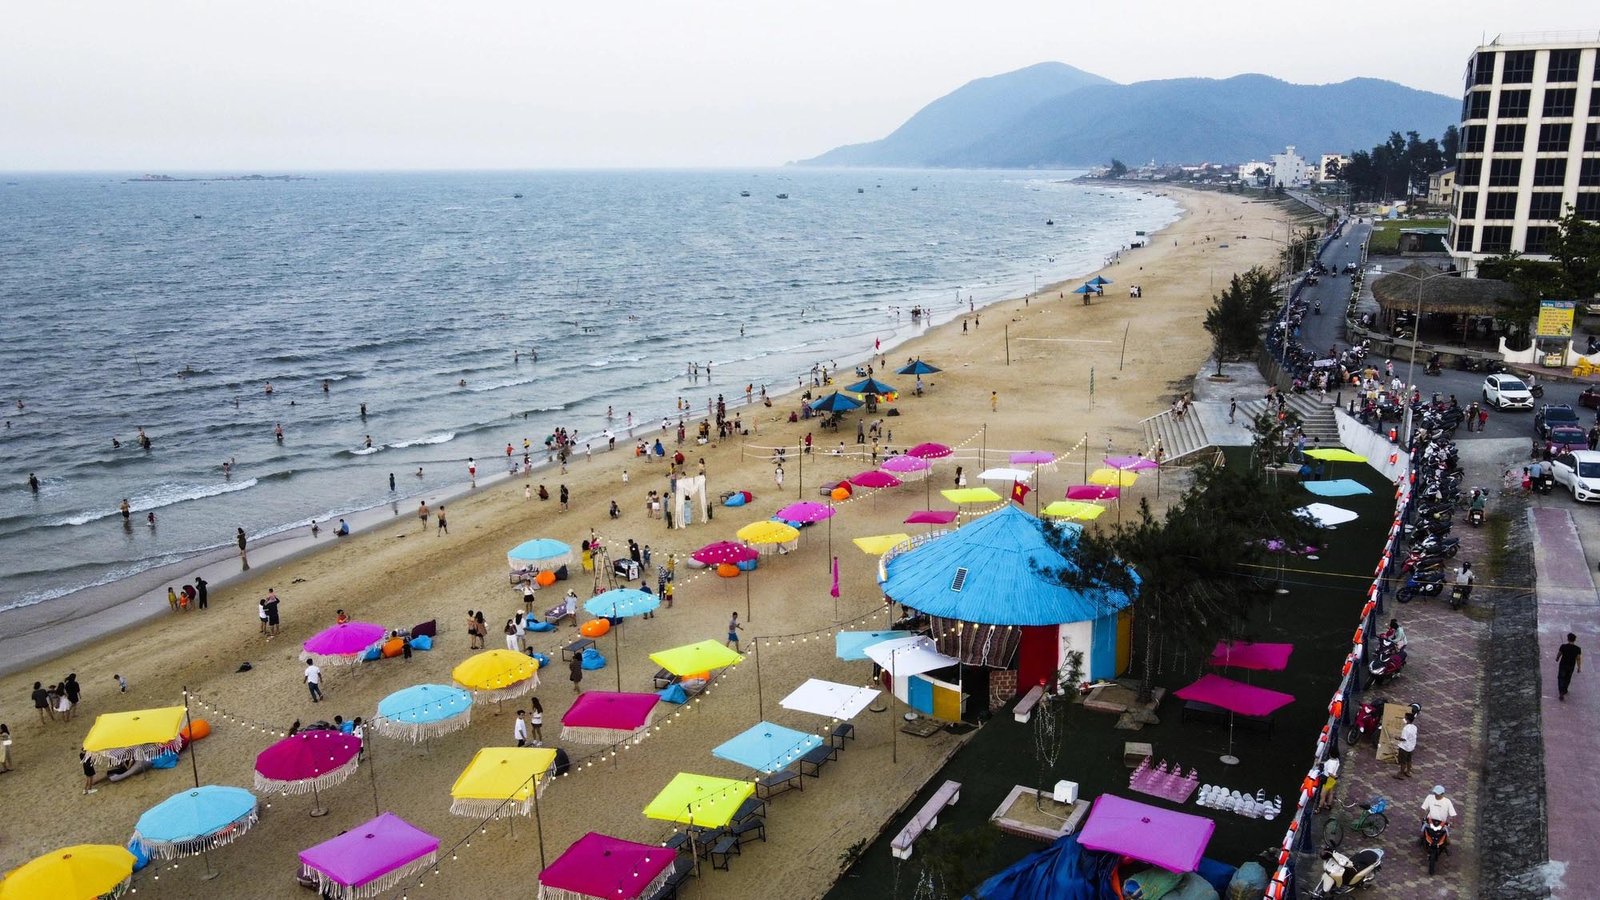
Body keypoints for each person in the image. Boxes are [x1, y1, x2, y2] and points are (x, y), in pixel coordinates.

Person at [1557, 632, 1582, 701]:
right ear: (1574, 640)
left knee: (1561, 677)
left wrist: (1557, 658)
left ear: (1568, 639)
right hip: (1571, 666)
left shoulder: (1563, 646)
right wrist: (1579, 667)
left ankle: (1561, 691)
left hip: (1563, 665)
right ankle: (1565, 689)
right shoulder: (1578, 649)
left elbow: (1559, 653)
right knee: (1568, 678)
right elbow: (1578, 659)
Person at [1394, 711, 1418, 778]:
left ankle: (1401, 774)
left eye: (1405, 718)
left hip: (1404, 747)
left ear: (1407, 720)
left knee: (1402, 761)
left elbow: (1403, 739)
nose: (1404, 719)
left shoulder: (1406, 729)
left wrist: (1397, 738)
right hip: (1411, 747)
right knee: (1409, 760)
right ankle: (1408, 772)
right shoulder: (1414, 727)